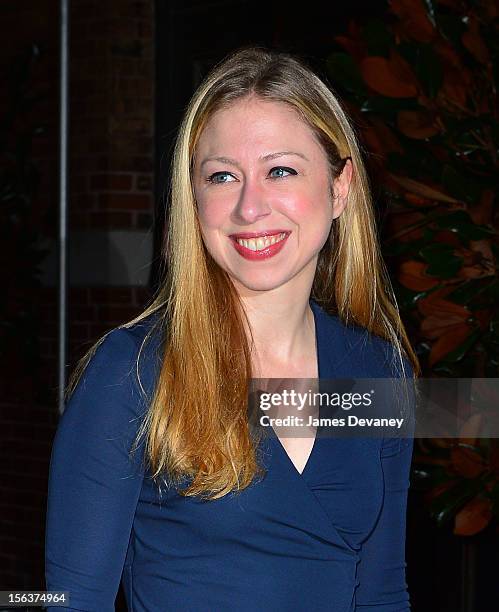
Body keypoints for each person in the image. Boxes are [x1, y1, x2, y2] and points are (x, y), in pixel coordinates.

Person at [45, 46, 420, 611]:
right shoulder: (133, 371)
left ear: (339, 189)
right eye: (222, 176)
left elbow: (384, 592)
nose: (249, 207)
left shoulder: (375, 368)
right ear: (194, 200)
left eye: (281, 170)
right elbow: (67, 601)